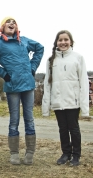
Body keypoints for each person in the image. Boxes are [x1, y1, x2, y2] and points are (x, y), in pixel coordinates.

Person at [0, 17, 44, 165]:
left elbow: (40, 48)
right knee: (14, 120)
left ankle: (30, 152)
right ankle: (14, 153)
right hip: (12, 85)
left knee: (29, 119)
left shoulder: (24, 40)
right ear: (2, 27)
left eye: (14, 22)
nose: (11, 24)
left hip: (28, 84)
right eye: (8, 22)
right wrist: (3, 74)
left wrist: (33, 67)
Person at [42, 30, 89, 166]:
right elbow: (47, 83)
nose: (63, 42)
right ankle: (65, 153)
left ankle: (76, 155)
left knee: (73, 128)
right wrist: (46, 107)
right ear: (56, 42)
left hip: (72, 102)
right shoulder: (51, 60)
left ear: (71, 42)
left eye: (66, 40)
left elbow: (83, 82)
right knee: (62, 128)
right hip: (58, 102)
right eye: (60, 40)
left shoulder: (78, 58)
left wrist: (84, 108)